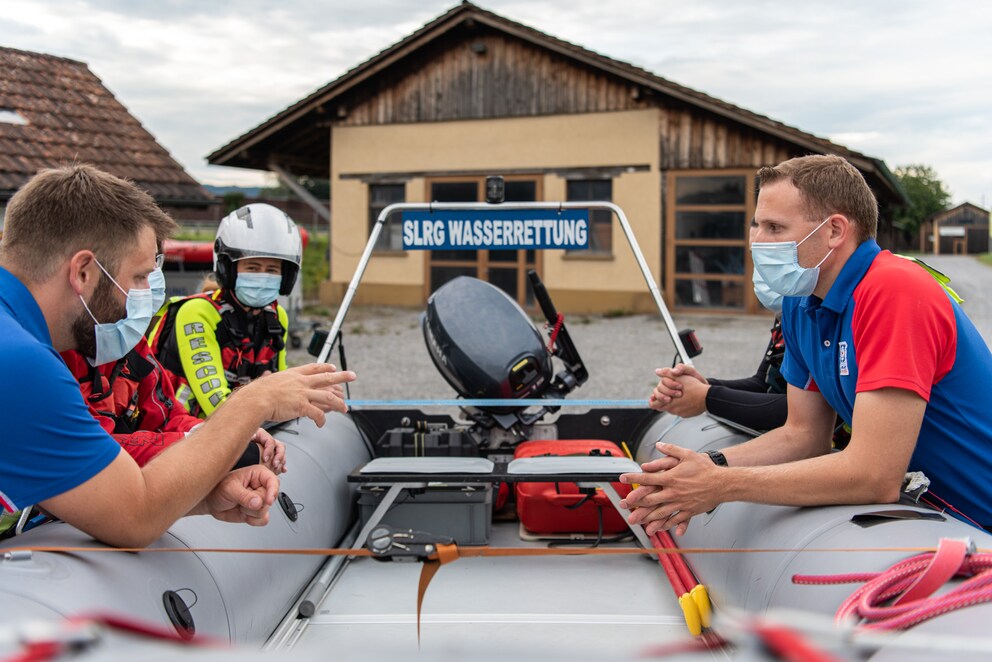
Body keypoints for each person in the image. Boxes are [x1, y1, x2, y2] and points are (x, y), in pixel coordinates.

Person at [621, 154, 992, 535]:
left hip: (979, 520)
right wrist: (705, 466)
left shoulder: (894, 290)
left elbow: (875, 475)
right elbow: (803, 436)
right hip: (945, 522)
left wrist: (721, 484)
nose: (756, 241)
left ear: (834, 231)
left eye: (774, 227)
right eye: (756, 225)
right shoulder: (800, 303)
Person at [0, 165, 354, 547]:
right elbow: (134, 517)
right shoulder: (21, 364)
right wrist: (253, 402)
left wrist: (204, 497)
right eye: (138, 279)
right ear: (84, 272)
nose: (145, 299)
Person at [149, 204, 299, 417]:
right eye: (253, 268)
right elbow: (216, 403)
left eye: (272, 269)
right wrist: (267, 395)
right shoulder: (197, 312)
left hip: (245, 423)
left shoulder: (276, 317)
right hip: (182, 430)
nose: (263, 276)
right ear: (227, 269)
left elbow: (281, 384)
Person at [59, 337, 286, 473]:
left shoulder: (130, 342)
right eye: (140, 277)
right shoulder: (56, 350)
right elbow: (89, 450)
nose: (148, 288)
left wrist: (226, 432)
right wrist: (212, 442)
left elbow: (165, 414)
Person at [649, 314, 787, 434]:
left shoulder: (806, 316)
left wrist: (708, 397)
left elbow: (804, 413)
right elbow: (765, 384)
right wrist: (699, 386)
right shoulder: (785, 314)